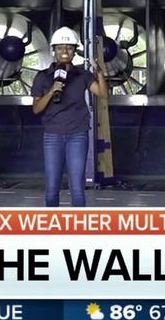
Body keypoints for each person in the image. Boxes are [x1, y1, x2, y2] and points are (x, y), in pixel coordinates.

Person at [31, 27, 108, 207]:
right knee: (51, 188)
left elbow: (103, 95)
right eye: (60, 48)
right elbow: (36, 109)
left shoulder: (83, 75)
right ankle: (53, 228)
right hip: (52, 136)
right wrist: (51, 91)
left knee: (77, 188)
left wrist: (100, 73)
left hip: (77, 135)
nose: (64, 52)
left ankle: (78, 231)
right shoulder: (42, 77)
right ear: (53, 50)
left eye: (69, 48)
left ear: (74, 51)